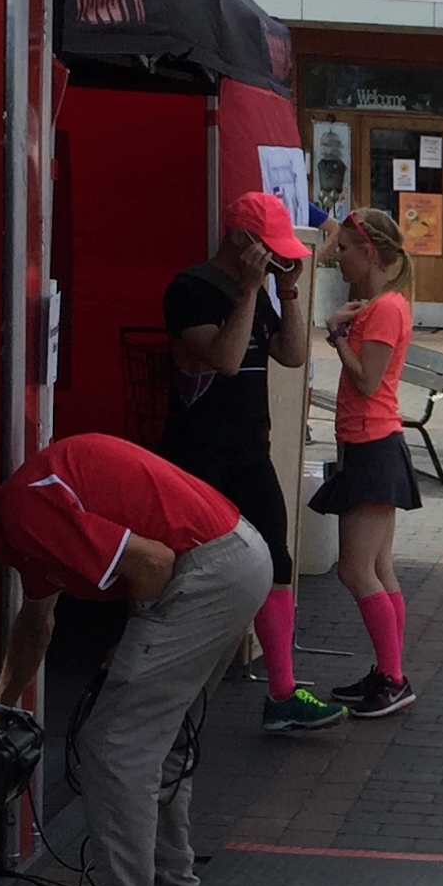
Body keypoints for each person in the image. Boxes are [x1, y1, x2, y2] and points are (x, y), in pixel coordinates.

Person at [0, 433, 272, 886]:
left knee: (112, 749)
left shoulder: (26, 512)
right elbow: (36, 623)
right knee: (158, 744)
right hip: (232, 559)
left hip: (205, 573)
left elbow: (154, 563)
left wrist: (138, 638)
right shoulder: (22, 513)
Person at [159, 188, 345, 736]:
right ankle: (166, 684)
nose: (276, 258)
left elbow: (292, 354)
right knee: (189, 566)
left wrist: (287, 293)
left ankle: (283, 692)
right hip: (198, 454)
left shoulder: (260, 292)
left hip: (249, 449)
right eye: (270, 249)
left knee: (276, 560)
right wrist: (247, 290)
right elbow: (226, 359)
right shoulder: (190, 290)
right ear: (240, 240)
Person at [311, 207, 419, 718]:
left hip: (373, 445)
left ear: (370, 252)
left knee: (355, 570)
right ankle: (388, 672)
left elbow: (367, 381)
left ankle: (392, 678)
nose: (338, 260)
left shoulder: (384, 309)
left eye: (345, 250)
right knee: (377, 567)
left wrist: (335, 336)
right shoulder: (380, 306)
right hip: (370, 444)